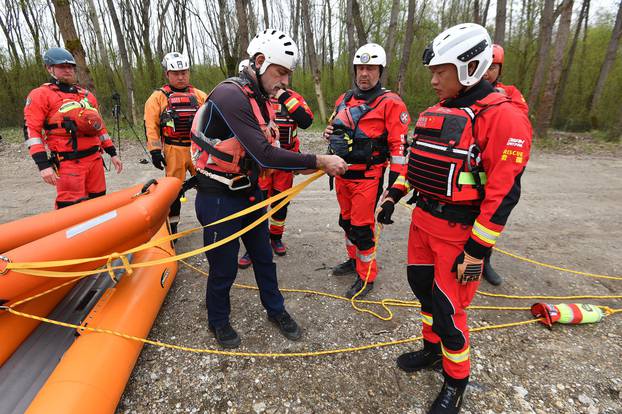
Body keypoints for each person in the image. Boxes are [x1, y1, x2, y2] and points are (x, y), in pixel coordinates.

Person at [376, 23, 532, 413]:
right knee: (422, 290)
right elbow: (414, 164)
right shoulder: (435, 114)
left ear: (468, 67)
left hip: (460, 236)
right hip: (423, 224)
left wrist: (477, 251)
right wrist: (393, 196)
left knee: (450, 311)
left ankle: (455, 382)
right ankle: (432, 350)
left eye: (439, 71)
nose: (432, 80)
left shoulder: (504, 118)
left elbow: (504, 195)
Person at [190, 29, 347, 349]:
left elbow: (274, 155)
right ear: (259, 63)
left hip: (249, 191)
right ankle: (218, 320)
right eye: (281, 73)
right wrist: (319, 160)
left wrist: (323, 164)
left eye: (289, 74)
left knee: (264, 257)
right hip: (218, 195)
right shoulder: (230, 95)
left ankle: (275, 310)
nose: (285, 81)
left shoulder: (262, 100)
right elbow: (264, 154)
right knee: (224, 267)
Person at [323, 42, 410, 298]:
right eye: (360, 67)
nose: (364, 74)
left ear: (379, 71)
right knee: (346, 222)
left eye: (370, 68)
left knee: (362, 228)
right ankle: (353, 260)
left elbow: (398, 148)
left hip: (367, 177)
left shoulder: (391, 103)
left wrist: (394, 190)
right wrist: (329, 134)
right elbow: (335, 128)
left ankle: (366, 275)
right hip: (342, 174)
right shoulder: (344, 99)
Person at [237, 60, 315, 268]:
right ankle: (253, 246)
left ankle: (275, 237)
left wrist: (282, 95)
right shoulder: (250, 99)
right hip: (260, 161)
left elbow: (306, 121)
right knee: (257, 204)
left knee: (280, 202)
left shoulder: (292, 98)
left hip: (286, 158)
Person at [23, 47, 122, 209]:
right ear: (49, 68)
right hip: (68, 163)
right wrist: (43, 165)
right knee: (70, 208)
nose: (67, 70)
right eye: (62, 67)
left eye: (70, 67)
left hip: (95, 160)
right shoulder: (40, 95)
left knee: (98, 203)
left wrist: (112, 153)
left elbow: (100, 128)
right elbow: (32, 132)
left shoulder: (86, 96)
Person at [479, 43, 530, 286]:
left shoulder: (510, 93)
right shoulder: (466, 92)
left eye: (493, 67)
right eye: (484, 66)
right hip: (475, 165)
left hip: (501, 165)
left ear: (500, 70)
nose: (487, 72)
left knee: (495, 211)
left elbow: (520, 116)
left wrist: (500, 101)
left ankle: (485, 259)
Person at [144, 52, 208, 234]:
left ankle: (211, 222)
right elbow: (151, 126)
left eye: (184, 72)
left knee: (208, 185)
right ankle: (172, 227)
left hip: (198, 149)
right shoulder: (158, 98)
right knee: (174, 191)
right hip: (174, 148)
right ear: (167, 74)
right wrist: (155, 151)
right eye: (176, 73)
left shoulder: (200, 95)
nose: (181, 77)